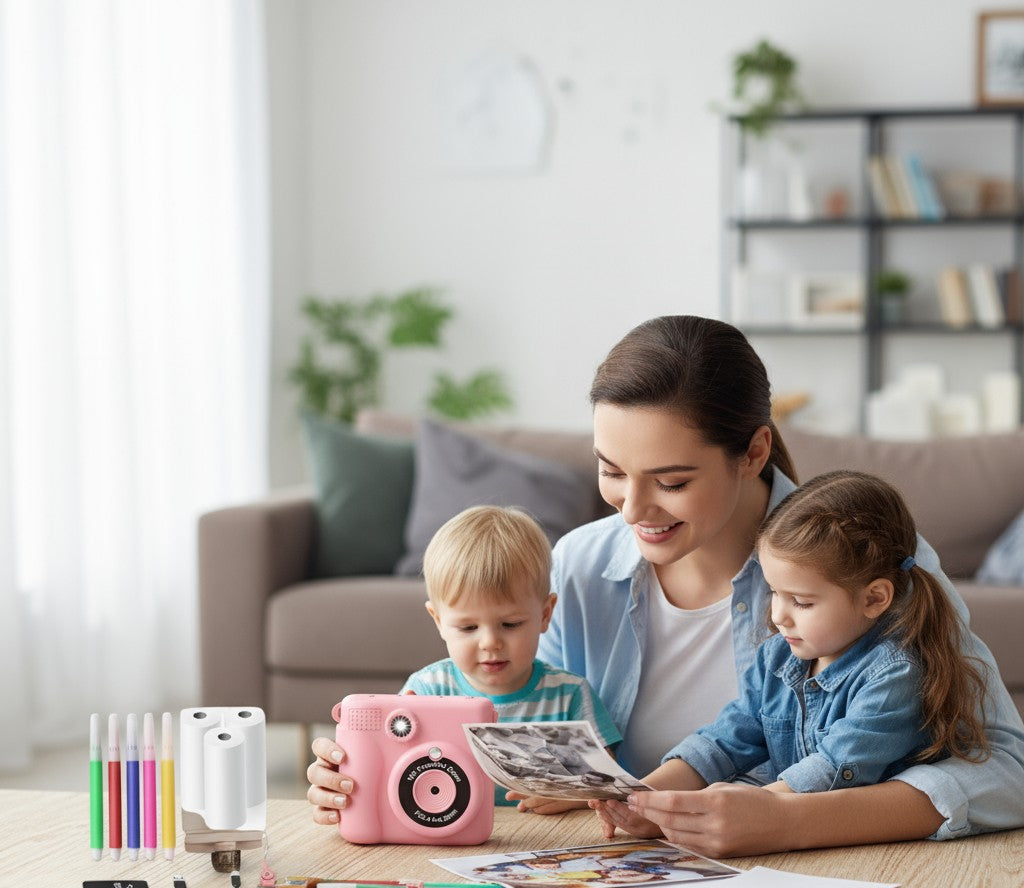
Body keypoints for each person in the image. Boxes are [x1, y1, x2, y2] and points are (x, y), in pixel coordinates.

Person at [308, 315, 1024, 854]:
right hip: (641, 871)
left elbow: (1007, 769)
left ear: (755, 451)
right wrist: (372, 772)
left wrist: (791, 820)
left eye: (672, 482)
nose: (631, 510)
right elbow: (493, 721)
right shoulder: (580, 568)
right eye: (611, 471)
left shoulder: (870, 564)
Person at [594, 469, 988, 834]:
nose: (779, 616)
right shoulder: (777, 658)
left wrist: (753, 810)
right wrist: (644, 796)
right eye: (774, 593)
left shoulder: (895, 674)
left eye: (801, 601)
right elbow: (727, 739)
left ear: (874, 598)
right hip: (791, 842)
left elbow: (835, 767)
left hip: (876, 850)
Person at [379, 505, 619, 812]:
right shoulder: (427, 691)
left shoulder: (569, 694)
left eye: (511, 624)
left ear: (545, 614)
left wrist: (572, 795)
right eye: (468, 627)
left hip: (544, 837)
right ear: (438, 621)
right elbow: (392, 769)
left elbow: (607, 778)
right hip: (448, 834)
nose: (490, 642)